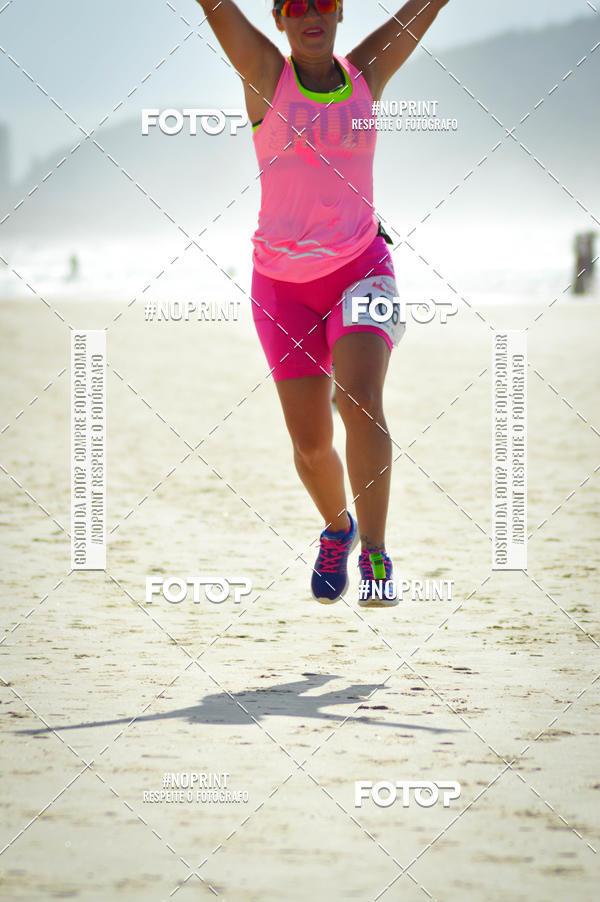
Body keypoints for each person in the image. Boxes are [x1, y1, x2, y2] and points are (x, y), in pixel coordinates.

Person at [197, 0, 450, 606]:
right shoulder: (267, 75)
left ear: (340, 13)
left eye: (324, 2)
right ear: (279, 18)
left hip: (363, 269)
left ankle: (376, 556)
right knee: (311, 446)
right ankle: (339, 528)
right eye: (295, 4)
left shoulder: (367, 73)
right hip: (281, 288)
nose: (311, 12)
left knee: (360, 399)